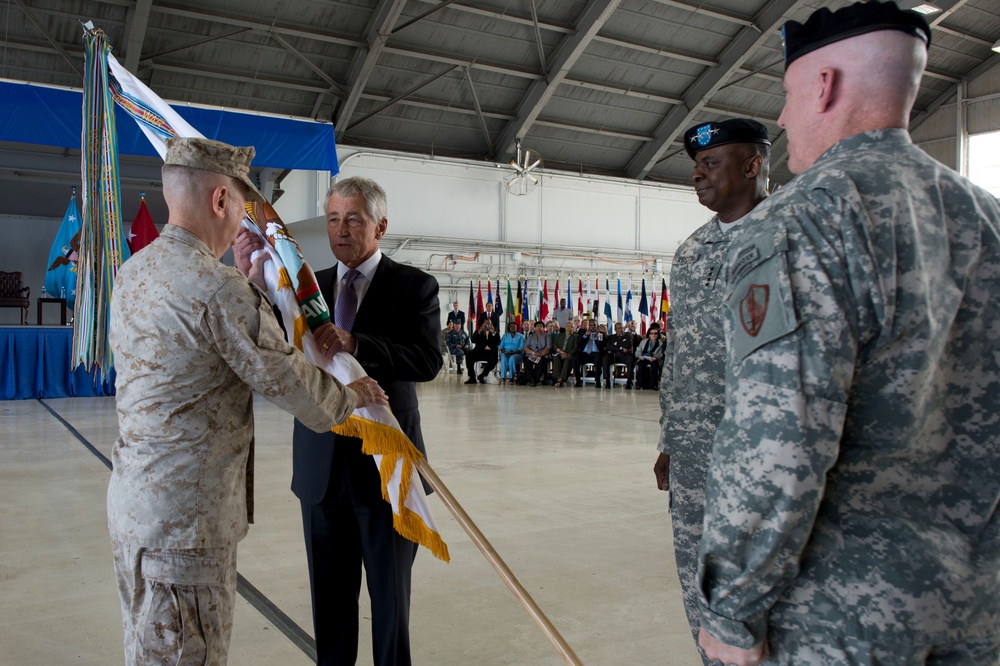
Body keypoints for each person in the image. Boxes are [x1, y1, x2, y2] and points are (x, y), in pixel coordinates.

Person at [695, 4, 1000, 666]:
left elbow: (777, 439)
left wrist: (733, 608)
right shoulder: (988, 221)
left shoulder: (799, 223)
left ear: (825, 86)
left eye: (786, 96)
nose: (781, 119)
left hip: (845, 618)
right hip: (980, 606)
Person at [107, 137, 388, 666]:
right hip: (188, 524)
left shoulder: (133, 271)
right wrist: (349, 397)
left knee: (147, 649)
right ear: (220, 201)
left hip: (134, 507)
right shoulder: (218, 290)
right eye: (242, 206)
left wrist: (250, 282)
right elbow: (285, 377)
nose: (242, 221)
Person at [237, 176, 442, 666]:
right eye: (333, 218)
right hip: (321, 469)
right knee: (330, 610)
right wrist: (248, 277)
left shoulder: (414, 285)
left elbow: (427, 361)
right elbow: (265, 343)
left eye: (353, 219)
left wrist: (358, 344)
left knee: (391, 607)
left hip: (387, 470)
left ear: (380, 226)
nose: (341, 229)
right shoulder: (308, 288)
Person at [651, 115, 771, 660]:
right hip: (696, 455)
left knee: (766, 586)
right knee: (698, 578)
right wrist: (670, 440)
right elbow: (678, 354)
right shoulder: (691, 250)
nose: (699, 175)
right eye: (696, 166)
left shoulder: (790, 237)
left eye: (712, 163)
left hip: (766, 456)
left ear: (753, 165)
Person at [602, 321, 637, 389]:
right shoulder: (611, 337)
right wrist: (620, 347)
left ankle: (629, 382)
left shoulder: (628, 335)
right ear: (615, 329)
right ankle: (607, 381)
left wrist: (615, 345)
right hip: (614, 355)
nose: (620, 330)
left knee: (630, 359)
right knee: (605, 358)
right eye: (618, 328)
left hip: (624, 355)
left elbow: (628, 345)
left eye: (621, 328)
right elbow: (608, 346)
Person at [465, 318, 500, 384]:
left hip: (490, 353)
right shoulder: (478, 331)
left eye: (489, 324)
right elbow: (473, 340)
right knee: (469, 356)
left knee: (494, 360)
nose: (487, 326)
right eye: (485, 324)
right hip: (479, 352)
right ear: (482, 324)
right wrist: (480, 331)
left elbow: (498, 342)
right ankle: (472, 377)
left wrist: (493, 333)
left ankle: (483, 375)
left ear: (491, 324)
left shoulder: (495, 332)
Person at [550, 319, 579, 387]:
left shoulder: (575, 337)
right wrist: (561, 352)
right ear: (565, 327)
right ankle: (556, 377)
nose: (569, 327)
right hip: (559, 353)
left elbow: (575, 347)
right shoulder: (560, 335)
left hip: (569, 355)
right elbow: (555, 345)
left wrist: (568, 354)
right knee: (556, 358)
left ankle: (561, 379)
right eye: (568, 326)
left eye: (571, 326)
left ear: (574, 328)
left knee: (567, 361)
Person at [577, 319, 605, 387]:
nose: (592, 327)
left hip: (595, 353)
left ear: (597, 326)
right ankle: (578, 380)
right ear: (588, 326)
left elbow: (602, 347)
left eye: (594, 325)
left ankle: (597, 381)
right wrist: (585, 336)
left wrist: (598, 338)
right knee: (575, 359)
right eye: (591, 325)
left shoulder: (600, 334)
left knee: (598, 359)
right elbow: (579, 343)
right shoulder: (583, 332)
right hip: (585, 354)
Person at [522, 320, 551, 386]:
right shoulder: (531, 336)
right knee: (527, 361)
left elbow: (548, 348)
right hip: (532, 355)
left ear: (544, 328)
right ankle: (531, 379)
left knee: (540, 361)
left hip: (542, 355)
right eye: (537, 326)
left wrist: (540, 354)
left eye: (541, 326)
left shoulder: (547, 336)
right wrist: (533, 353)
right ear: (534, 328)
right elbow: (526, 348)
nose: (539, 328)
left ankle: (536, 379)